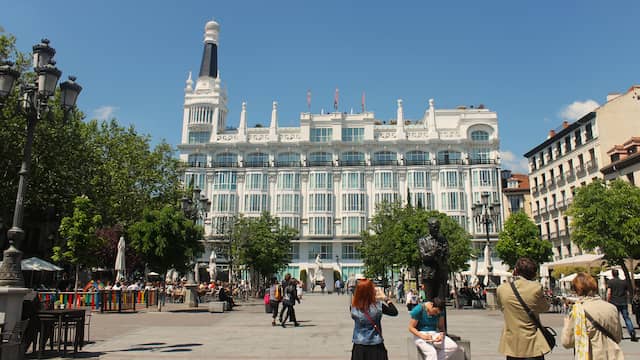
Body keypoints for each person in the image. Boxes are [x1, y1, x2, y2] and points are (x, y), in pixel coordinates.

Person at [496, 257, 550, 360]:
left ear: (515, 271)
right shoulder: (536, 288)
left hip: (512, 344)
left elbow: (502, 307)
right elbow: (545, 308)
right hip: (533, 343)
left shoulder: (501, 289)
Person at [561, 272, 623, 359]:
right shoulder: (612, 308)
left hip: (592, 356)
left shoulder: (578, 311)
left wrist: (567, 323)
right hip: (614, 356)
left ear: (577, 290)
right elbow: (618, 337)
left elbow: (567, 342)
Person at [350, 279, 398, 360]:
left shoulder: (354, 308)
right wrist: (385, 298)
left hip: (359, 346)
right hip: (376, 345)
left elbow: (356, 299)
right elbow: (394, 312)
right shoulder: (378, 306)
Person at [606, 269, 637, 342]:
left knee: (616, 319)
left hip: (614, 302)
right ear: (618, 274)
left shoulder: (610, 282)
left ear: (612, 274)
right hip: (623, 302)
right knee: (626, 318)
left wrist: (607, 301)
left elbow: (609, 293)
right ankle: (632, 331)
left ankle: (619, 334)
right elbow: (627, 293)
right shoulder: (624, 282)